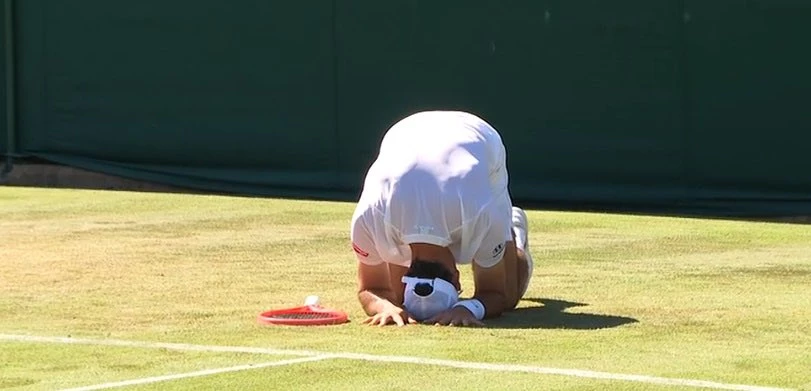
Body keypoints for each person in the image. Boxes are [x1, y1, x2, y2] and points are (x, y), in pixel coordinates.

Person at [350, 110, 534, 327]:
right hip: (409, 130)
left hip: (477, 134)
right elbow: (370, 290)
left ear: (456, 278)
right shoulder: (370, 218)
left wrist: (466, 308)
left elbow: (495, 293)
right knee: (396, 297)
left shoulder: (480, 215)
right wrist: (388, 306)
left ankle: (511, 227)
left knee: (509, 298)